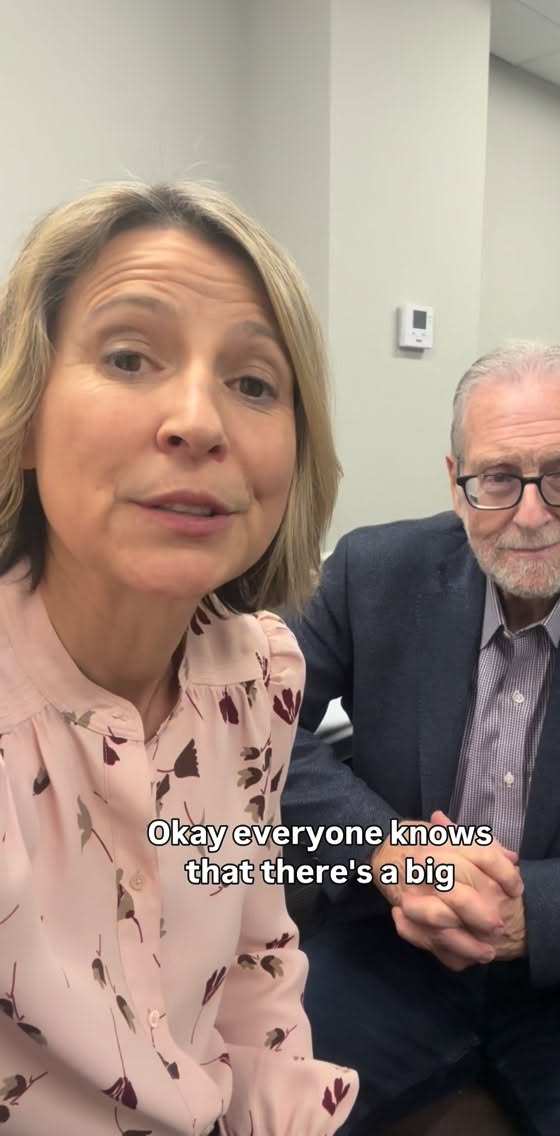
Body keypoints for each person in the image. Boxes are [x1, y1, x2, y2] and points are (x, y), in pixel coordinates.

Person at [0, 182, 357, 1136]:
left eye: (254, 383)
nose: (199, 421)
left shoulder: (262, 678)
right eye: (129, 358)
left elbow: (254, 968)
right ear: (24, 417)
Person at [282, 341, 560, 1136]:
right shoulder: (371, 573)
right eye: (498, 479)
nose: (532, 516)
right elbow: (255, 726)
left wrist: (542, 912)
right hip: (389, 950)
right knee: (258, 1110)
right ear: (454, 480)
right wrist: (386, 848)